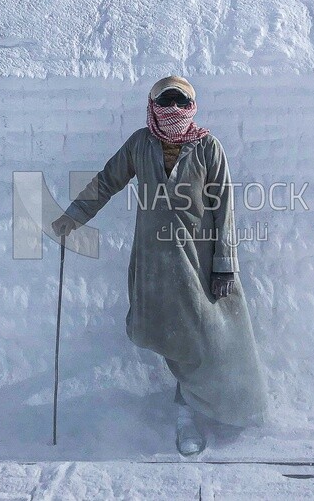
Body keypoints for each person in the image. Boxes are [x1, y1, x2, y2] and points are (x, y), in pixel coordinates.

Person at [52, 76, 269, 456]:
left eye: (180, 103)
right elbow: (106, 183)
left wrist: (224, 266)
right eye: (164, 103)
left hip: (201, 266)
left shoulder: (207, 148)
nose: (172, 111)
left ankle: (220, 411)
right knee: (177, 340)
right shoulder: (140, 144)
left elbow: (225, 210)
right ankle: (187, 414)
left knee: (216, 341)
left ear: (191, 105)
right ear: (152, 106)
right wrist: (73, 217)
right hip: (156, 267)